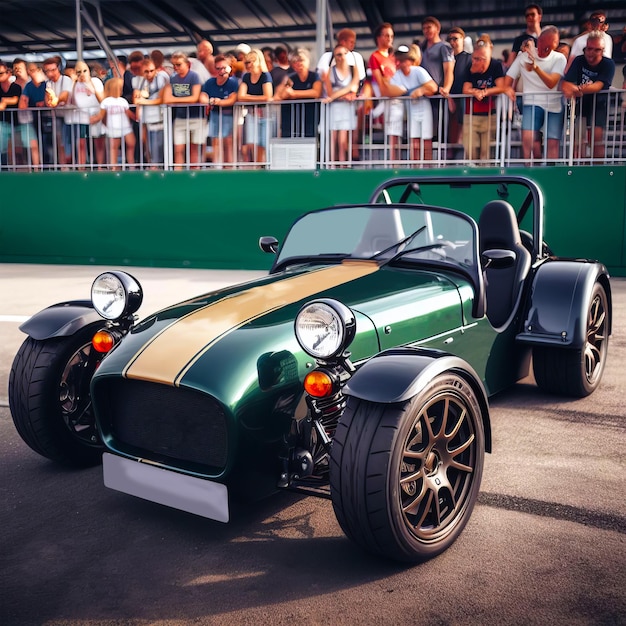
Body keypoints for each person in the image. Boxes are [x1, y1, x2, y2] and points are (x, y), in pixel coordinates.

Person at [504, 25, 566, 163]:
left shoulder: (559, 58)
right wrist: (508, 89)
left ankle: (551, 172)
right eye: (546, 44)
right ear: (540, 40)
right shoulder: (523, 56)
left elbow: (551, 83)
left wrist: (535, 67)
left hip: (554, 105)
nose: (548, 48)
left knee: (552, 143)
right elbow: (508, 78)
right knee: (528, 138)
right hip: (531, 102)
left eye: (553, 44)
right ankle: (529, 167)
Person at [561, 31, 615, 161]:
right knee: (578, 141)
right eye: (589, 49)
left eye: (596, 50)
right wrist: (578, 89)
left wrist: (577, 89)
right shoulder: (579, 60)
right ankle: (579, 170)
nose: (591, 53)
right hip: (581, 105)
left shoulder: (608, 64)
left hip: (599, 105)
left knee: (597, 139)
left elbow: (598, 86)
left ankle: (598, 171)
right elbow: (565, 84)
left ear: (602, 51)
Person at [386, 45, 438, 163]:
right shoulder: (397, 75)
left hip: (424, 107)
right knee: (414, 139)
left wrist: (420, 90)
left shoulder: (418, 71)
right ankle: (415, 166)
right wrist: (403, 91)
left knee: (426, 138)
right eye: (399, 60)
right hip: (411, 109)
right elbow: (389, 90)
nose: (401, 63)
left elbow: (433, 87)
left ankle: (427, 166)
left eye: (404, 60)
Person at [461, 39, 506, 163]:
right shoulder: (469, 68)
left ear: (484, 60)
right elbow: (466, 89)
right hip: (471, 115)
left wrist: (485, 92)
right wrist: (475, 92)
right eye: (473, 58)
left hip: (489, 115)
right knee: (470, 150)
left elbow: (501, 87)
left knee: (487, 154)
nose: (473, 61)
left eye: (476, 59)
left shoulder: (496, 65)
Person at [162, 51, 204, 169]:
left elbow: (194, 98)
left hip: (196, 118)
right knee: (178, 149)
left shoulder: (194, 76)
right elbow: (166, 99)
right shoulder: (173, 78)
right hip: (180, 118)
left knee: (194, 148)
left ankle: (194, 174)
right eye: (174, 65)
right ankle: (178, 173)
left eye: (178, 64)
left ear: (187, 64)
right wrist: (181, 100)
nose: (176, 68)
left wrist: (175, 99)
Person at [419, 16, 454, 145]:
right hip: (423, 94)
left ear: (437, 28)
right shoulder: (421, 47)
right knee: (425, 132)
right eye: (424, 28)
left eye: (429, 27)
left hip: (438, 94)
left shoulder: (444, 47)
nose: (426, 31)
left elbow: (449, 70)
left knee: (440, 129)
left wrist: (446, 89)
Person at [322, 44, 360, 164]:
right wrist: (344, 94)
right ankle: (332, 165)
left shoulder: (354, 70)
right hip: (334, 108)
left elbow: (354, 89)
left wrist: (337, 96)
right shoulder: (330, 72)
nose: (341, 57)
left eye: (344, 54)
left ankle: (344, 164)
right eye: (338, 54)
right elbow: (329, 91)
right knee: (333, 139)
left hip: (346, 108)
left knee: (343, 139)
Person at [200, 54, 239, 167]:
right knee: (215, 141)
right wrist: (210, 101)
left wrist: (218, 102)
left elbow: (232, 99)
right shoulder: (210, 82)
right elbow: (202, 96)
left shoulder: (233, 82)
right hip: (215, 115)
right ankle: (217, 167)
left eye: (224, 67)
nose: (221, 71)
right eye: (218, 68)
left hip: (230, 116)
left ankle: (229, 168)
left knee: (228, 142)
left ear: (229, 67)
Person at [274, 48, 322, 138]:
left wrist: (294, 94)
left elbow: (316, 93)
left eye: (301, 60)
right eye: (295, 61)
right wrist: (285, 90)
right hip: (291, 119)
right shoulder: (289, 77)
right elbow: (278, 96)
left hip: (310, 118)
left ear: (308, 61)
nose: (299, 63)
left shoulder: (314, 76)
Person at [238, 48, 273, 165]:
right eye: (247, 62)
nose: (249, 64)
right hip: (252, 114)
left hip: (266, 115)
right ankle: (256, 165)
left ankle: (261, 164)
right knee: (251, 142)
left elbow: (268, 96)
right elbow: (240, 96)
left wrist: (249, 97)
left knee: (263, 142)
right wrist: (258, 98)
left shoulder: (265, 76)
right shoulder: (246, 77)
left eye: (251, 61)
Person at [67, 59, 105, 167]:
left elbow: (102, 100)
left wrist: (92, 89)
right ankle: (82, 166)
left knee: (98, 143)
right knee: (81, 143)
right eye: (79, 72)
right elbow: (72, 101)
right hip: (81, 117)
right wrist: (74, 82)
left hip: (95, 115)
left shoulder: (96, 81)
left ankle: (100, 166)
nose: (82, 74)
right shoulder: (74, 84)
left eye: (84, 71)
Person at [133, 57, 169, 167]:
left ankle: (157, 166)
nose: (149, 74)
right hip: (146, 118)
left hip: (160, 118)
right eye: (146, 71)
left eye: (151, 71)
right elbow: (135, 99)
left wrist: (144, 101)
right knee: (148, 145)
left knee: (158, 145)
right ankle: (152, 165)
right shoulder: (140, 81)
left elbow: (162, 99)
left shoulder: (161, 78)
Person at [94, 77, 135, 169]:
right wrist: (93, 119)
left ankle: (131, 164)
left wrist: (136, 117)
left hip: (125, 127)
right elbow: (101, 115)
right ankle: (114, 166)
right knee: (113, 147)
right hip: (113, 127)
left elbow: (128, 114)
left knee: (131, 143)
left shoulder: (122, 101)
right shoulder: (106, 101)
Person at [42, 56, 72, 167]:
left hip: (69, 116)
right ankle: (63, 165)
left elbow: (64, 96)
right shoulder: (48, 83)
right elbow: (47, 100)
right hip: (56, 116)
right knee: (59, 141)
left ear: (58, 68)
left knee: (68, 142)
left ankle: (74, 165)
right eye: (47, 71)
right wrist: (51, 102)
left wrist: (55, 101)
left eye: (53, 70)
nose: (50, 73)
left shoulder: (66, 80)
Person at [447, 26, 472, 152]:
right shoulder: (446, 57)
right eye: (450, 39)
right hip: (449, 98)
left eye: (455, 39)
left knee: (463, 129)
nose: (452, 42)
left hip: (464, 98)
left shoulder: (469, 58)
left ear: (463, 39)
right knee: (450, 130)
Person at [18, 62, 46, 169]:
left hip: (47, 117)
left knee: (47, 142)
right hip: (33, 118)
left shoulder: (46, 83)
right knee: (34, 144)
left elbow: (50, 99)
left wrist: (44, 102)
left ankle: (48, 165)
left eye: (38, 70)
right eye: (33, 70)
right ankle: (36, 168)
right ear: (29, 72)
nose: (36, 72)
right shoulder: (28, 86)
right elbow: (22, 104)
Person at [506, 4, 543, 68]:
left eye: (532, 14)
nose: (530, 17)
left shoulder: (546, 37)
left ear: (539, 17)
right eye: (527, 15)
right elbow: (510, 64)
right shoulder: (519, 40)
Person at [0, 61, 21, 168]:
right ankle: (5, 168)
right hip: (2, 122)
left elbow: (16, 99)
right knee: (3, 147)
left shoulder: (16, 87)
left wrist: (4, 101)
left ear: (8, 73)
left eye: (1, 73)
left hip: (17, 122)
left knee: (17, 149)